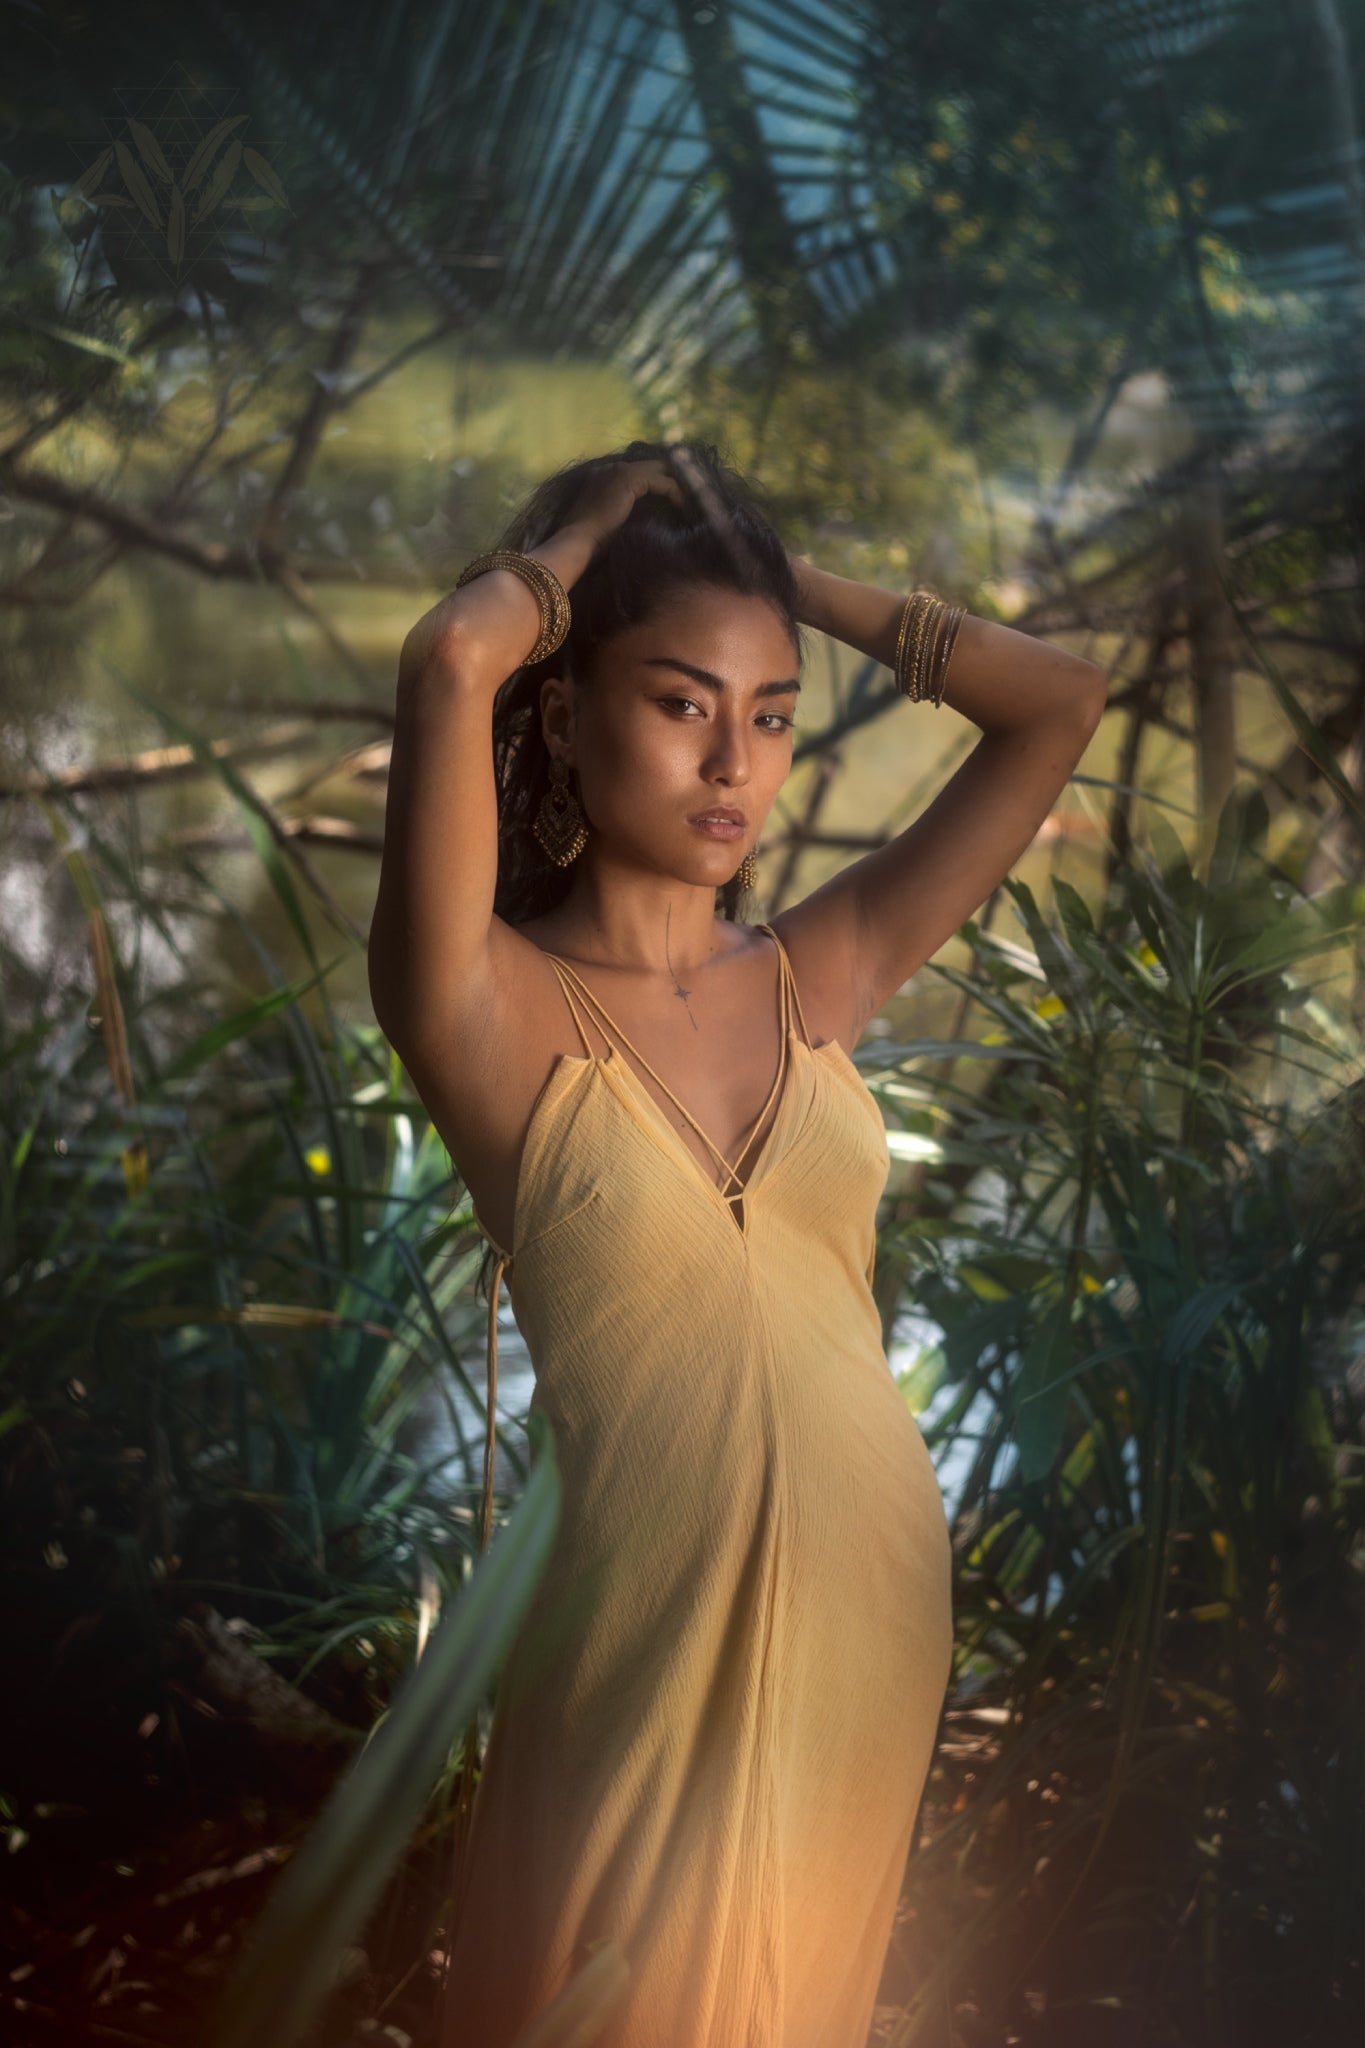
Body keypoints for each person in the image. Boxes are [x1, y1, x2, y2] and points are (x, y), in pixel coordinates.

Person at [367, 438, 1107, 2047]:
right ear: (563, 714)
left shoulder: (813, 969)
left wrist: (790, 586)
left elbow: (1057, 702)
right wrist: (587, 543)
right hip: (646, 1646)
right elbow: (447, 659)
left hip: (867, 1642)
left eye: (769, 716)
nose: (736, 766)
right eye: (680, 701)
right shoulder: (485, 1005)